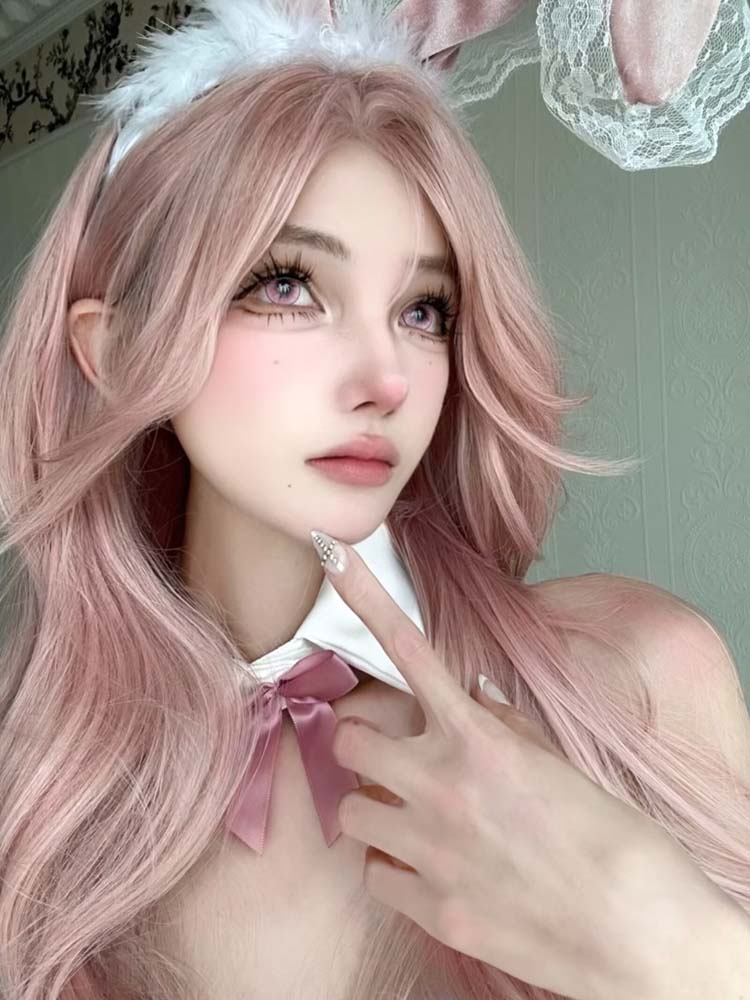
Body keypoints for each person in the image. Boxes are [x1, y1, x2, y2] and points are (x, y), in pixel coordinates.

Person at [0, 2, 748, 999]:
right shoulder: (39, 800)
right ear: (120, 348)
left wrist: (681, 954)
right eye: (288, 285)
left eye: (423, 310)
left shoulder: (635, 676)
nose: (385, 379)